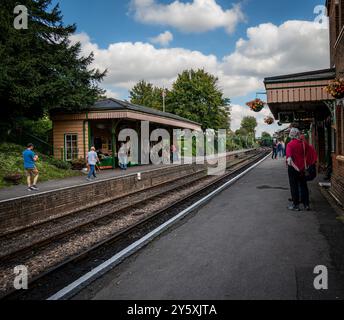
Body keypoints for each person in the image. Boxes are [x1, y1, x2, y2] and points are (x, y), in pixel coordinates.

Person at [286, 128, 318, 211]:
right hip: (303, 169)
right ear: (298, 134)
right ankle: (306, 204)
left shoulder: (290, 145)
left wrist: (294, 167)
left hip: (293, 169)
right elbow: (312, 152)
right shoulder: (304, 144)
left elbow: (289, 160)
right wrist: (308, 164)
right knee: (304, 186)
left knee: (294, 187)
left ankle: (296, 205)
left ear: (291, 135)